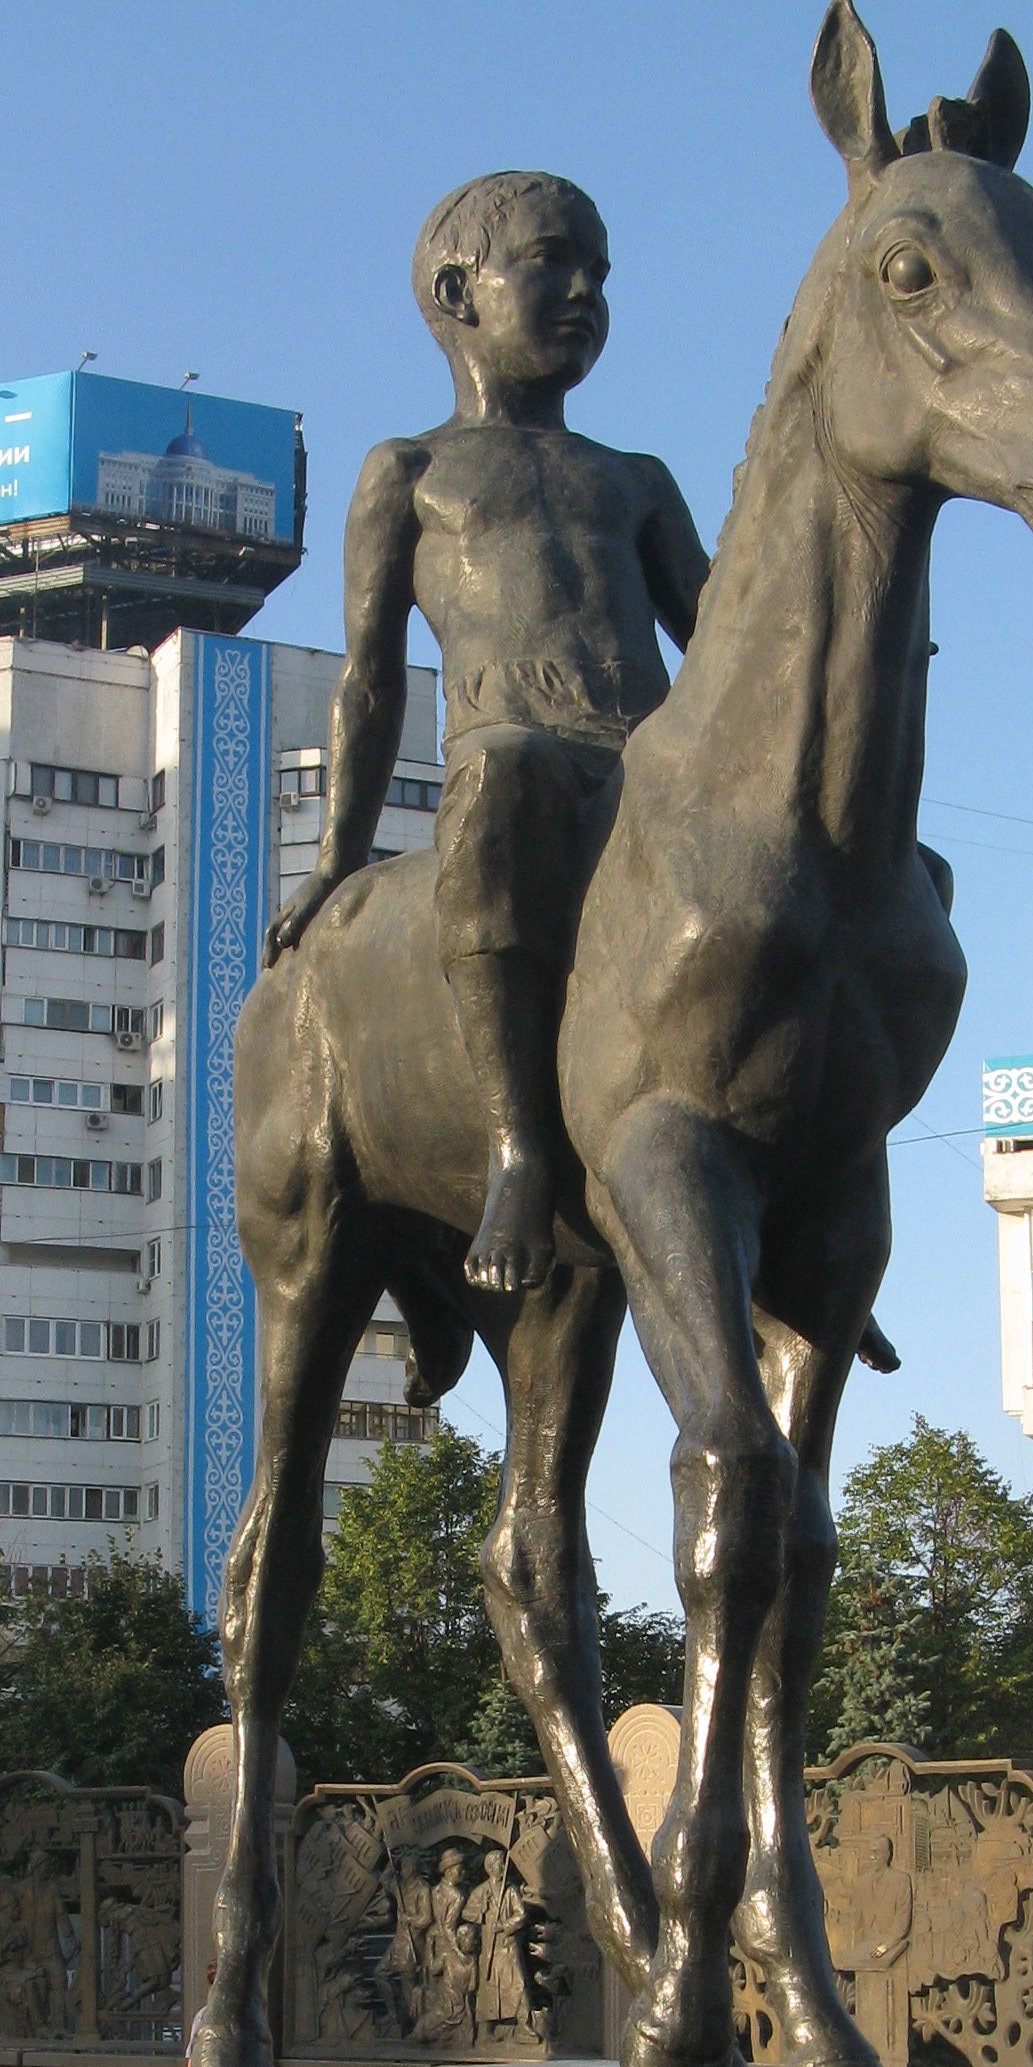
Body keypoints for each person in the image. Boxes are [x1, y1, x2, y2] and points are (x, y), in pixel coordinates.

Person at [264, 171, 711, 1295]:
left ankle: (817, 1193)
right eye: (554, 262)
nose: (584, 293)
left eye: (600, 273)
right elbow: (368, 682)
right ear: (461, 290)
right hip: (522, 763)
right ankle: (518, 1148)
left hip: (648, 774)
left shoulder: (634, 479)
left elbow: (724, 635)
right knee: (501, 774)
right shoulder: (411, 473)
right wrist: (336, 860)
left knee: (894, 872)